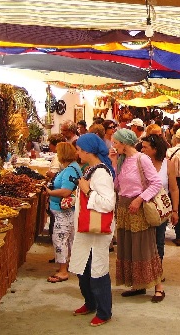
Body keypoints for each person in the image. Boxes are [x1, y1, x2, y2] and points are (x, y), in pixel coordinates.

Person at [110, 129, 165, 302]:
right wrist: (113, 163)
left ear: (125, 143)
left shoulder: (142, 159)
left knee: (146, 246)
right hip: (124, 207)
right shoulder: (121, 160)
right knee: (130, 246)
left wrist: (140, 199)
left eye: (116, 142)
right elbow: (117, 185)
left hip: (138, 207)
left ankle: (159, 288)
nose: (114, 145)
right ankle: (138, 284)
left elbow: (156, 183)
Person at [68, 134, 116, 327]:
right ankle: (91, 303)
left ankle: (104, 312)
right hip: (87, 230)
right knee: (84, 269)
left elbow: (107, 203)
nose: (77, 153)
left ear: (87, 151)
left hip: (97, 232)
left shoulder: (101, 174)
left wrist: (87, 191)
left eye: (79, 149)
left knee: (98, 270)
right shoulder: (91, 170)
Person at [45, 142, 82, 283]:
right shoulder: (71, 167)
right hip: (65, 211)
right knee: (69, 238)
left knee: (60, 239)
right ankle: (68, 266)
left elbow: (66, 191)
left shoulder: (70, 170)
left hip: (64, 211)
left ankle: (63, 271)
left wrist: (49, 192)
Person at [140, 134, 179, 263]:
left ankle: (157, 270)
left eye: (145, 147)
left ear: (155, 149)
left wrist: (175, 210)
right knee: (143, 242)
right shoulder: (139, 162)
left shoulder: (167, 164)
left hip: (160, 209)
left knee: (159, 240)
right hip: (142, 208)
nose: (142, 149)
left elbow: (173, 189)